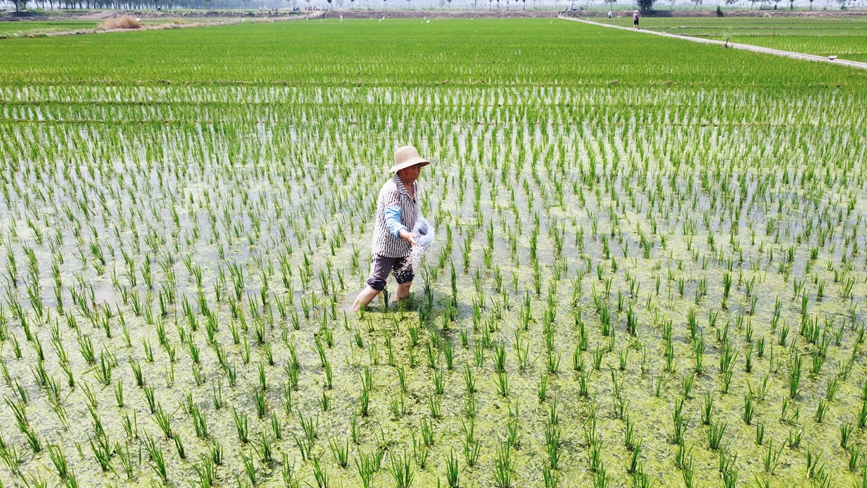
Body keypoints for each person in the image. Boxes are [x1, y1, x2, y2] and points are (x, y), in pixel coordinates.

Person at [352, 146, 430, 312]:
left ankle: (402, 310)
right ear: (401, 169)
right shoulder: (392, 191)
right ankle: (353, 313)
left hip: (405, 246)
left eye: (419, 167)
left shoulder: (413, 184)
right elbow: (392, 221)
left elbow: (412, 210)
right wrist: (406, 234)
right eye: (413, 167)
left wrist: (419, 227)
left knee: (406, 281)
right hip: (387, 248)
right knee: (376, 285)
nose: (417, 171)